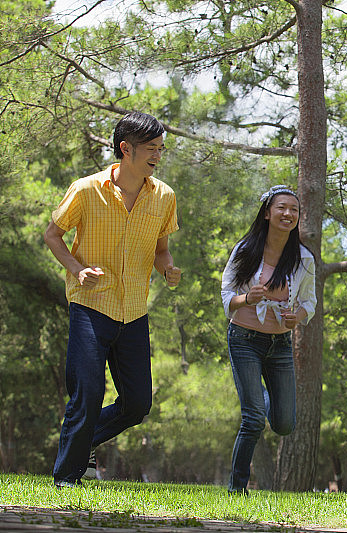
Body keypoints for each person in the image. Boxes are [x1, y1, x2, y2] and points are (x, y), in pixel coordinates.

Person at [44, 111, 181, 488]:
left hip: (135, 310)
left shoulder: (164, 196)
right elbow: (52, 234)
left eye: (160, 148)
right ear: (126, 148)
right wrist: (76, 269)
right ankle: (66, 480)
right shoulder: (87, 189)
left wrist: (167, 268)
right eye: (151, 148)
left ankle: (81, 439)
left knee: (137, 405)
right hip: (91, 305)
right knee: (87, 392)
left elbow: (161, 249)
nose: (158, 154)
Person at [220, 185, 316, 494]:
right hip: (244, 339)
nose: (288, 214)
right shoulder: (246, 250)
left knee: (284, 424)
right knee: (253, 420)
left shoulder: (303, 258)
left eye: (294, 210)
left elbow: (309, 303)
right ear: (267, 213)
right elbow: (226, 298)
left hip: (280, 345)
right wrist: (247, 298)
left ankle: (258, 398)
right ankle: (238, 488)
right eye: (282, 208)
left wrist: (297, 318)